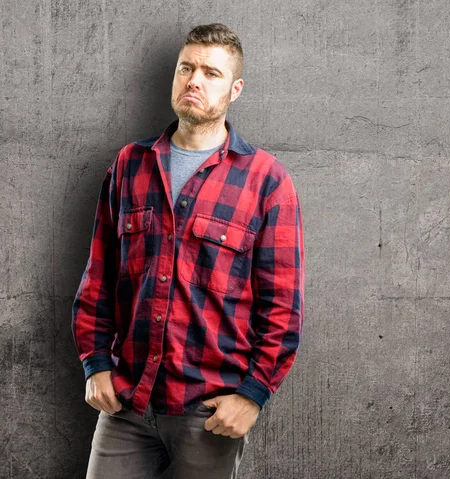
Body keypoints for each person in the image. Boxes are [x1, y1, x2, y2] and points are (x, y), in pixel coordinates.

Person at [71, 23, 305, 479]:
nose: (194, 80)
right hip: (127, 403)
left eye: (211, 73)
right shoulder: (129, 165)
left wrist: (253, 395)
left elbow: (283, 307)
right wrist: (95, 362)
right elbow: (98, 274)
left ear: (235, 89)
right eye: (186, 68)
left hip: (210, 415)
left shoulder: (267, 181)